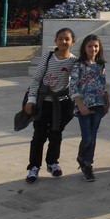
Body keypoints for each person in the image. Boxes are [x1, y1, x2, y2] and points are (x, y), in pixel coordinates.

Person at [25, 27, 78, 184]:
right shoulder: (48, 57)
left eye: (67, 39)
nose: (63, 41)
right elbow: (36, 79)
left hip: (62, 104)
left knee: (56, 134)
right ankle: (34, 167)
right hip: (44, 103)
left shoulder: (74, 61)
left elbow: (76, 82)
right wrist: (31, 99)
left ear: (72, 42)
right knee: (39, 135)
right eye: (60, 38)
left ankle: (52, 162)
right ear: (55, 41)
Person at [69, 34, 108, 182]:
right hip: (84, 106)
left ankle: (87, 165)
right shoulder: (79, 65)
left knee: (93, 137)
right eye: (90, 46)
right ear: (84, 48)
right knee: (87, 138)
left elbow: (102, 85)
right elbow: (73, 86)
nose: (93, 49)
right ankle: (81, 156)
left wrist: (106, 102)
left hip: (98, 105)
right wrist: (80, 104)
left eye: (96, 46)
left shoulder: (100, 65)